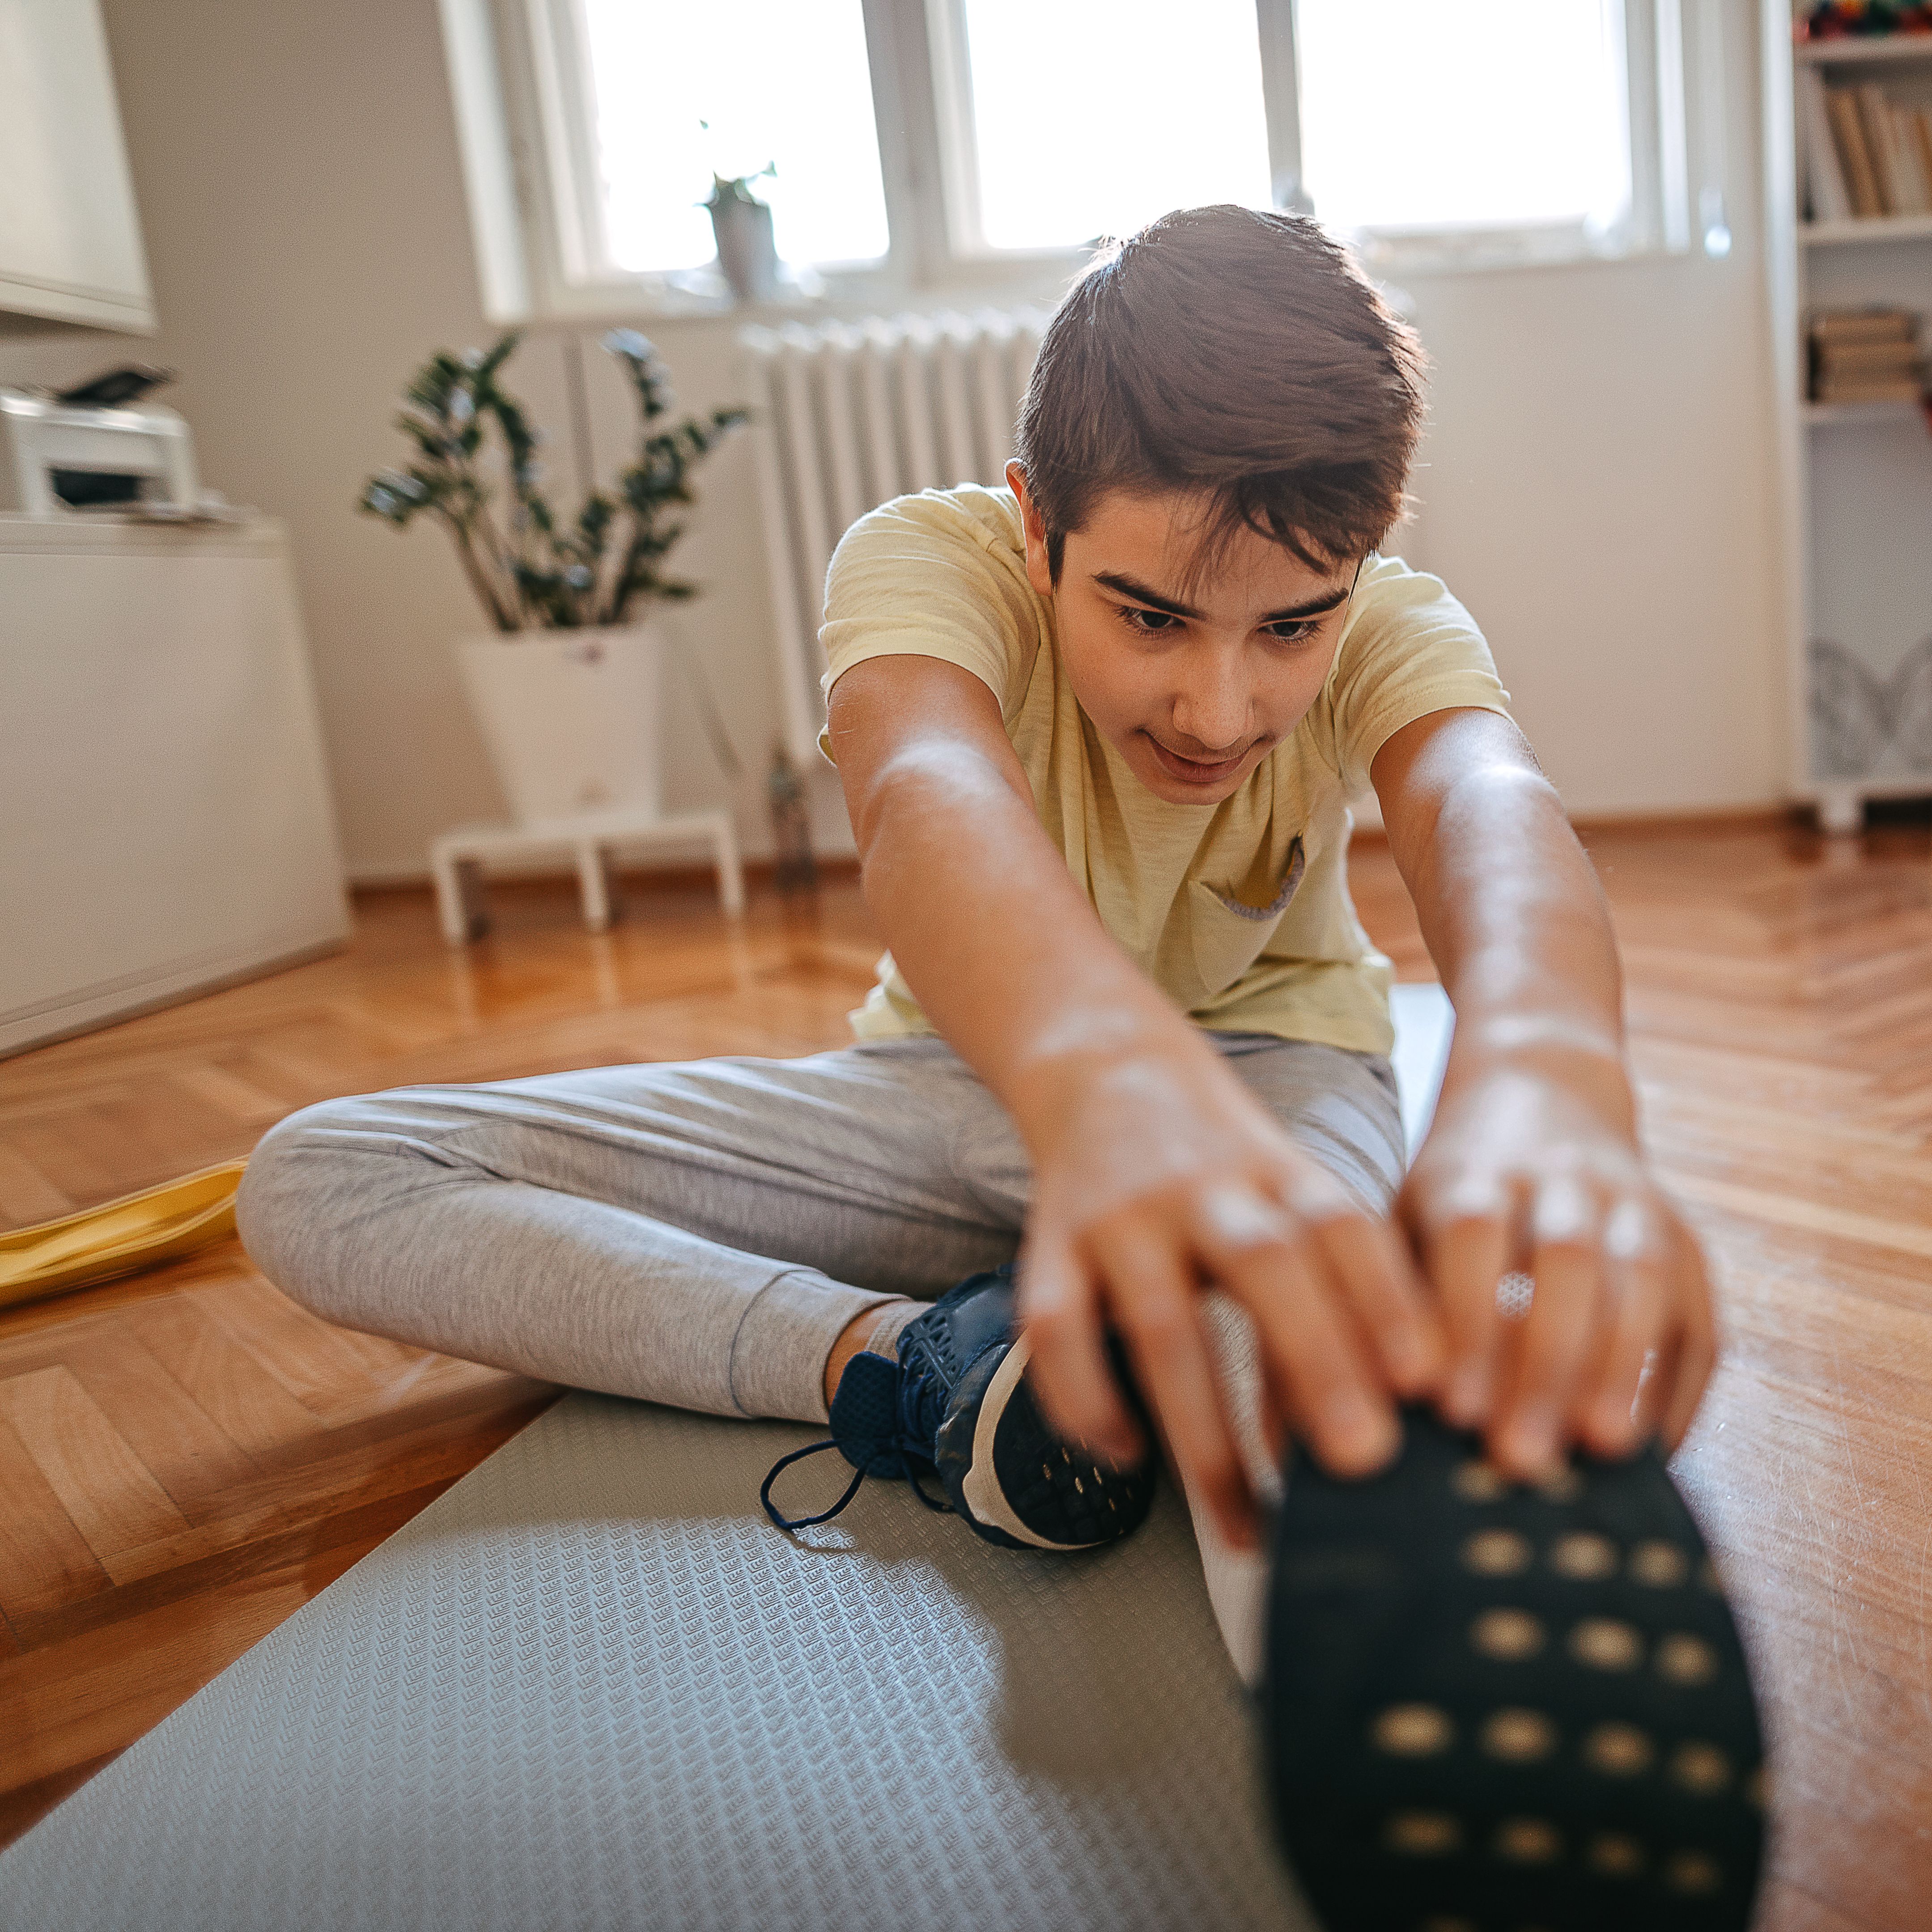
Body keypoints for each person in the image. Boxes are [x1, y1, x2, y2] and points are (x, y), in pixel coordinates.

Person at [238, 204, 1761, 1930]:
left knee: (1307, 1362)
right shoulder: (929, 560)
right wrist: (1101, 1087)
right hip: (962, 1089)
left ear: (1363, 564)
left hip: (1276, 1078)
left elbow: (1489, 802)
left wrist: (1552, 1072)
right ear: (1040, 526)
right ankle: (914, 1370)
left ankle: (1434, 1815)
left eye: (1289, 632)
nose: (1217, 707)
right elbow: (921, 800)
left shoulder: (1394, 624)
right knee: (326, 1174)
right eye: (1151, 617)